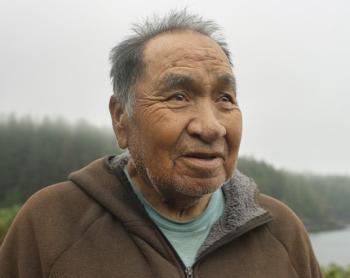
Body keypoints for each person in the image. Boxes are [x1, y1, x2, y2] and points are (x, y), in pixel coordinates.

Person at [0, 10, 322, 278]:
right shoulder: (50, 224)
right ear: (121, 119)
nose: (211, 127)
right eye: (178, 97)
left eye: (225, 98)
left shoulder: (281, 231)